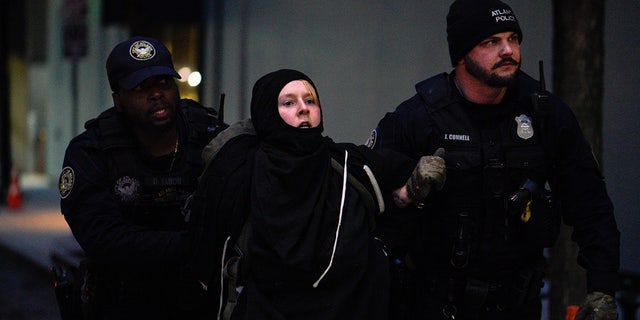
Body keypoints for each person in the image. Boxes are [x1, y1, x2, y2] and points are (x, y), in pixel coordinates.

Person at [367, 1, 620, 319]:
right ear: (462, 53)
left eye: (513, 38)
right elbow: (367, 206)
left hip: (517, 303)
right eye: (492, 42)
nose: (509, 51)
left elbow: (591, 206)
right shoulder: (418, 117)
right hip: (432, 303)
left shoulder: (545, 114)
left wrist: (603, 289)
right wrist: (406, 193)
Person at [179, 69, 446, 319]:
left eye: (310, 100)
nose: (303, 109)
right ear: (267, 113)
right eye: (288, 103)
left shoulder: (346, 165)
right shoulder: (240, 171)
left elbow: (399, 184)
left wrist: (413, 187)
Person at [57, 36, 226, 320]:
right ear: (118, 100)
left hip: (200, 300)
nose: (156, 94)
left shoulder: (211, 136)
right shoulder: (91, 151)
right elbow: (104, 238)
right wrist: (193, 245)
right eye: (140, 87)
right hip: (123, 300)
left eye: (163, 83)